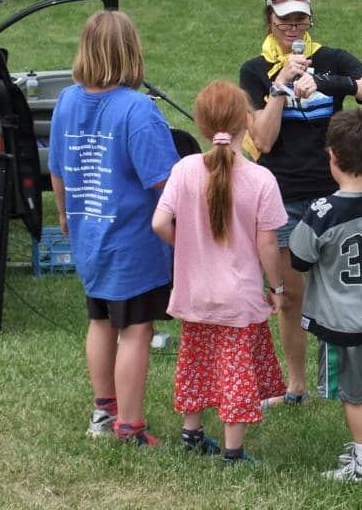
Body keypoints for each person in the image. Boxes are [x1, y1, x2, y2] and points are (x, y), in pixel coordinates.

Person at [239, 0, 362, 405]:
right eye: (285, 20)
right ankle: (297, 383)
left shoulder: (333, 58)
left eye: (301, 20)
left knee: (345, 292)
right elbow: (264, 141)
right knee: (291, 296)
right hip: (284, 196)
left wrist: (329, 83)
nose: (293, 28)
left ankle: (351, 384)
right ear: (269, 18)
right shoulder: (254, 71)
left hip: (336, 195)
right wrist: (279, 88)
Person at [48, 10, 179, 447]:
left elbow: (58, 170)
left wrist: (65, 216)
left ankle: (104, 412)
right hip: (132, 242)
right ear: (131, 53)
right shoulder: (137, 109)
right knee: (136, 329)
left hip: (89, 234)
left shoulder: (67, 100)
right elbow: (166, 181)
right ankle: (131, 426)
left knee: (100, 321)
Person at [152, 80, 287, 465]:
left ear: (200, 124)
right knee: (236, 372)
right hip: (238, 296)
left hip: (194, 291)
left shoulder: (185, 169)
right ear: (247, 120)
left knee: (196, 360)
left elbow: (160, 223)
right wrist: (276, 285)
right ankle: (233, 450)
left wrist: (188, 247)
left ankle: (191, 433)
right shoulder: (261, 179)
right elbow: (266, 245)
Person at [288, 110, 362, 482]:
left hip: (339, 320)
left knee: (351, 395)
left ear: (331, 155)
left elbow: (299, 259)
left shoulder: (323, 211)